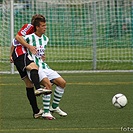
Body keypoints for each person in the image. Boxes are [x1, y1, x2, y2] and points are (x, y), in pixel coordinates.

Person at [23, 16, 67, 120]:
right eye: (43, 26)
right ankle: (46, 112)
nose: (45, 27)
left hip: (44, 66)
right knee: (47, 84)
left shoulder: (45, 39)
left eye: (45, 25)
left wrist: (42, 56)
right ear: (37, 27)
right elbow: (16, 42)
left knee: (62, 83)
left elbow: (40, 52)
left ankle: (54, 107)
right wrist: (13, 56)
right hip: (34, 68)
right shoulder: (28, 37)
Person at [10, 14, 52, 118]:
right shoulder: (29, 27)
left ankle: (36, 111)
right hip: (20, 54)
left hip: (18, 55)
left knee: (29, 84)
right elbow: (17, 37)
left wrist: (10, 55)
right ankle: (38, 88)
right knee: (34, 67)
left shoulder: (36, 34)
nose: (44, 27)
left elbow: (14, 41)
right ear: (36, 24)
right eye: (42, 24)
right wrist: (28, 47)